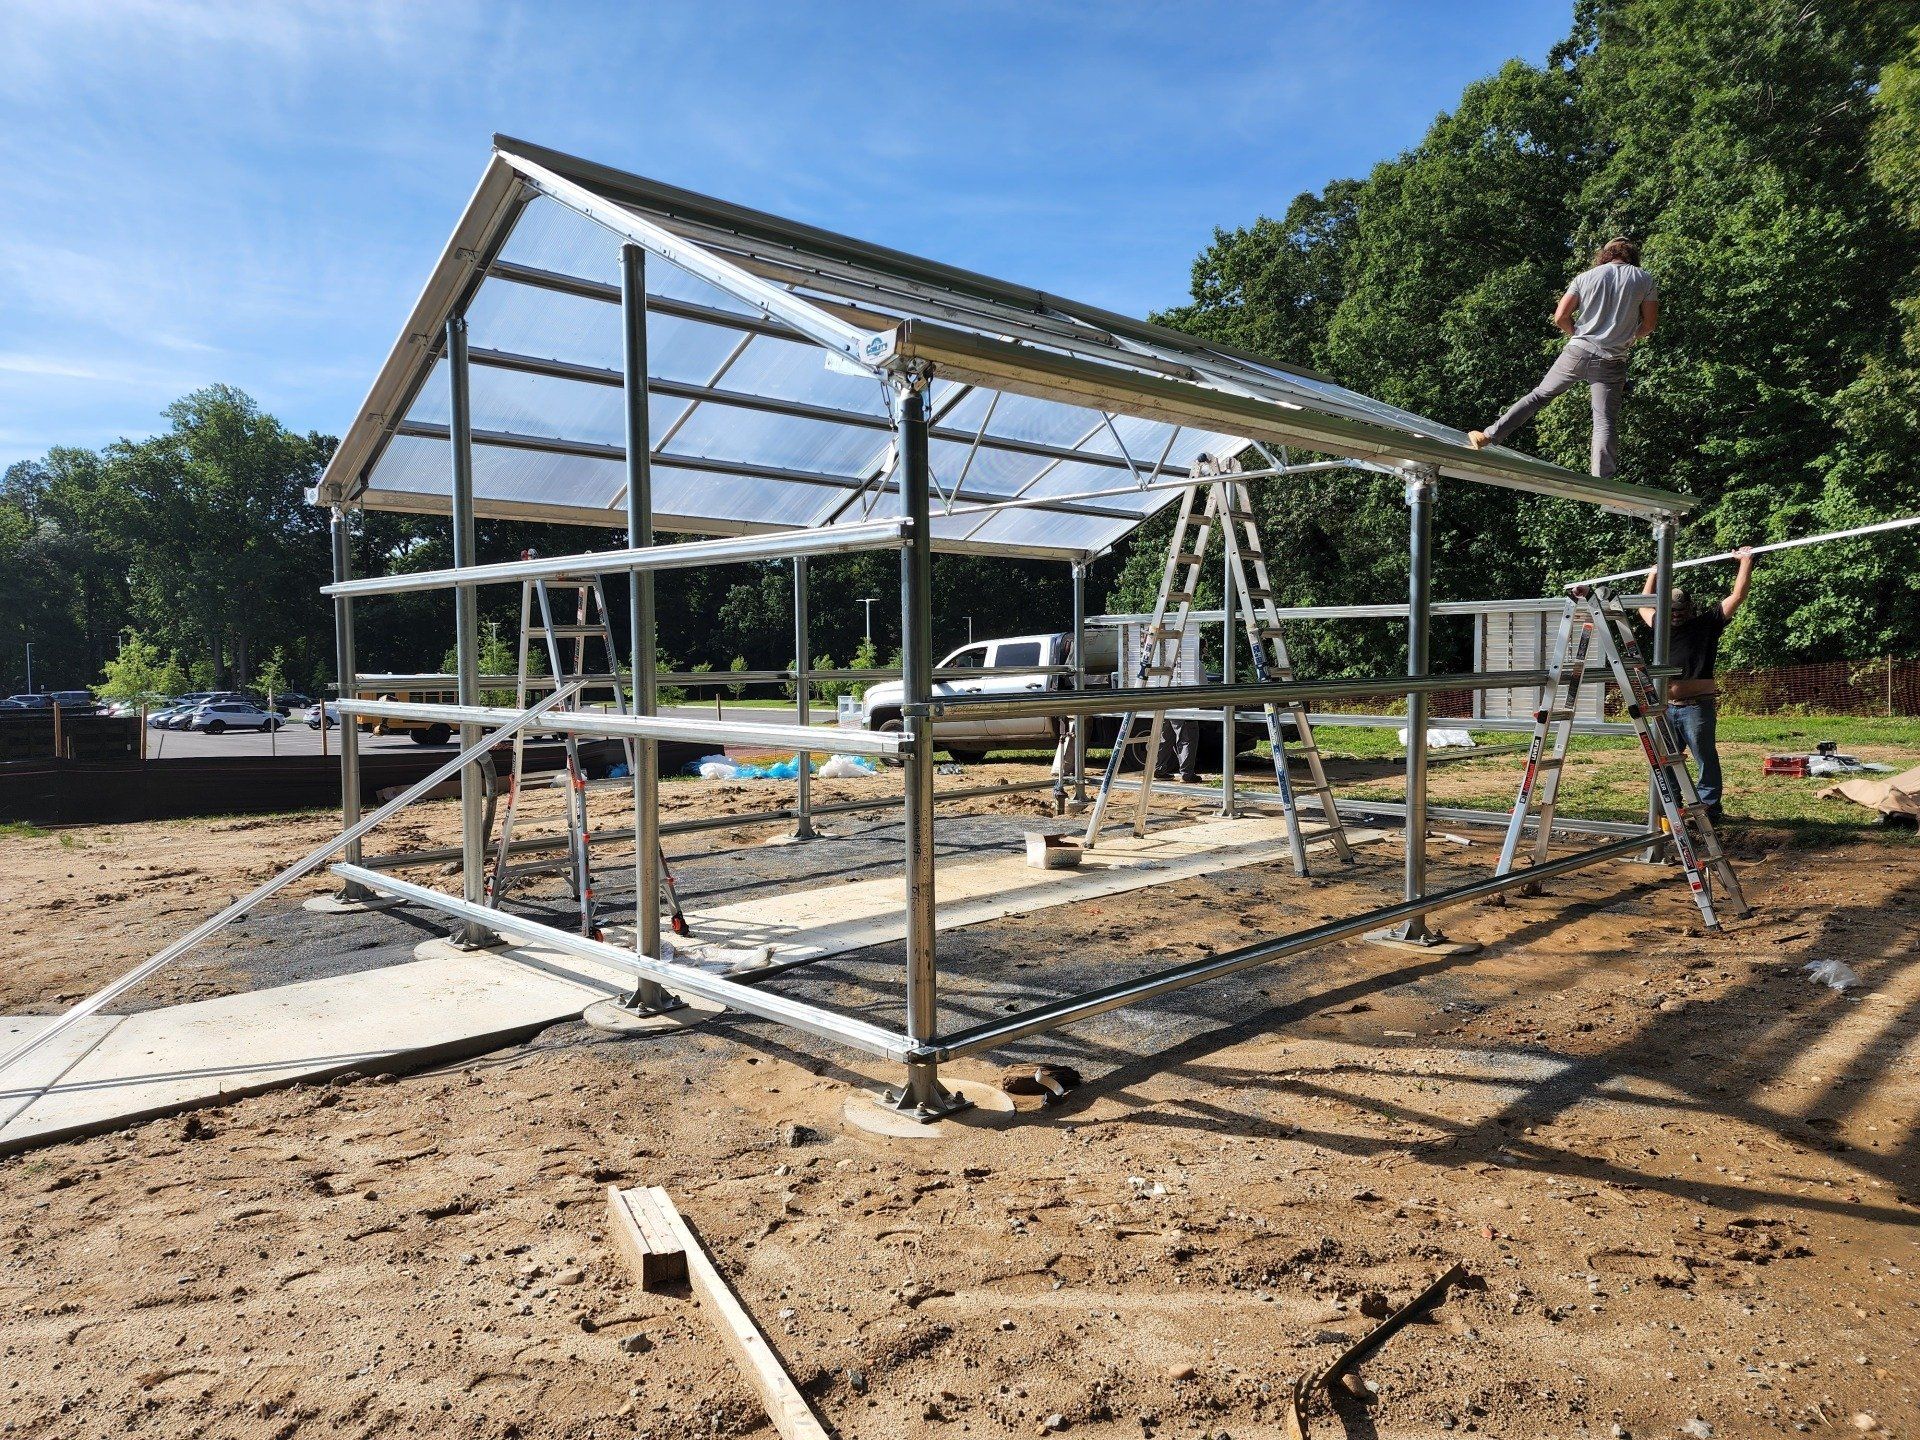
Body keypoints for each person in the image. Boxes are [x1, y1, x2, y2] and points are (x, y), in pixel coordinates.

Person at [1468, 238, 1660, 477]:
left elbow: (1561, 317)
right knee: (1604, 420)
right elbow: (1649, 324)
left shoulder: (1585, 277)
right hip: (1612, 359)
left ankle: (1487, 436)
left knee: (1539, 396)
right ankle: (1602, 480)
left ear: (1606, 254)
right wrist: (1629, 338)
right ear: (1632, 257)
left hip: (1578, 352)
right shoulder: (1644, 278)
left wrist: (1578, 334)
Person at [1636, 546, 1754, 823]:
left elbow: (1737, 596)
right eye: (1671, 609)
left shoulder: (1706, 624)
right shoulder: (1660, 626)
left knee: (1704, 757)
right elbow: (1643, 603)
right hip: (1666, 707)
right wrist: (1653, 573)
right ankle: (1671, 804)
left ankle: (1709, 808)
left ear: (1690, 608)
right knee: (1665, 758)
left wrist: (1745, 561)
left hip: (1695, 707)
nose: (1676, 614)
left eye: (1681, 609)